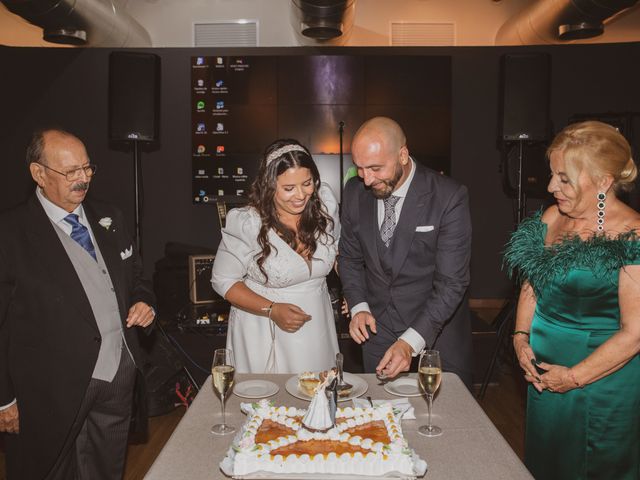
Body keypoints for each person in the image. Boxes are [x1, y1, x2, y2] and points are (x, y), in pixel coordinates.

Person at [0, 128, 156, 480]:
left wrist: (145, 302)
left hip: (117, 373)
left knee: (105, 469)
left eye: (87, 168)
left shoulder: (110, 217)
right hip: (48, 388)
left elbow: (138, 280)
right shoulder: (10, 233)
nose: (83, 178)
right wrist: (3, 399)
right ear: (38, 174)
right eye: (70, 171)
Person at [505, 120, 640, 479]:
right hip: (546, 378)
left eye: (564, 178)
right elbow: (532, 285)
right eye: (552, 175)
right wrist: (520, 339)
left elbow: (634, 333)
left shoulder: (632, 235)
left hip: (600, 384)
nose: (551, 187)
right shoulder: (552, 217)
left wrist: (574, 378)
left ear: (603, 181)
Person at [338, 116, 473, 387]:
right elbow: (350, 258)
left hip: (436, 336)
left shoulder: (448, 197)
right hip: (377, 333)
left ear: (402, 154)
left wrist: (410, 343)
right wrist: (359, 306)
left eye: (375, 168)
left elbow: (451, 284)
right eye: (360, 168)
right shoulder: (354, 192)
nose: (366, 179)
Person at [211, 139, 340, 373]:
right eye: (289, 188)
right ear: (269, 186)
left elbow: (337, 251)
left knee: (318, 397)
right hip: (264, 330)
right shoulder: (248, 223)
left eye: (307, 183)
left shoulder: (325, 207)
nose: (301, 195)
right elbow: (223, 281)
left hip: (317, 327)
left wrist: (353, 289)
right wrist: (272, 309)